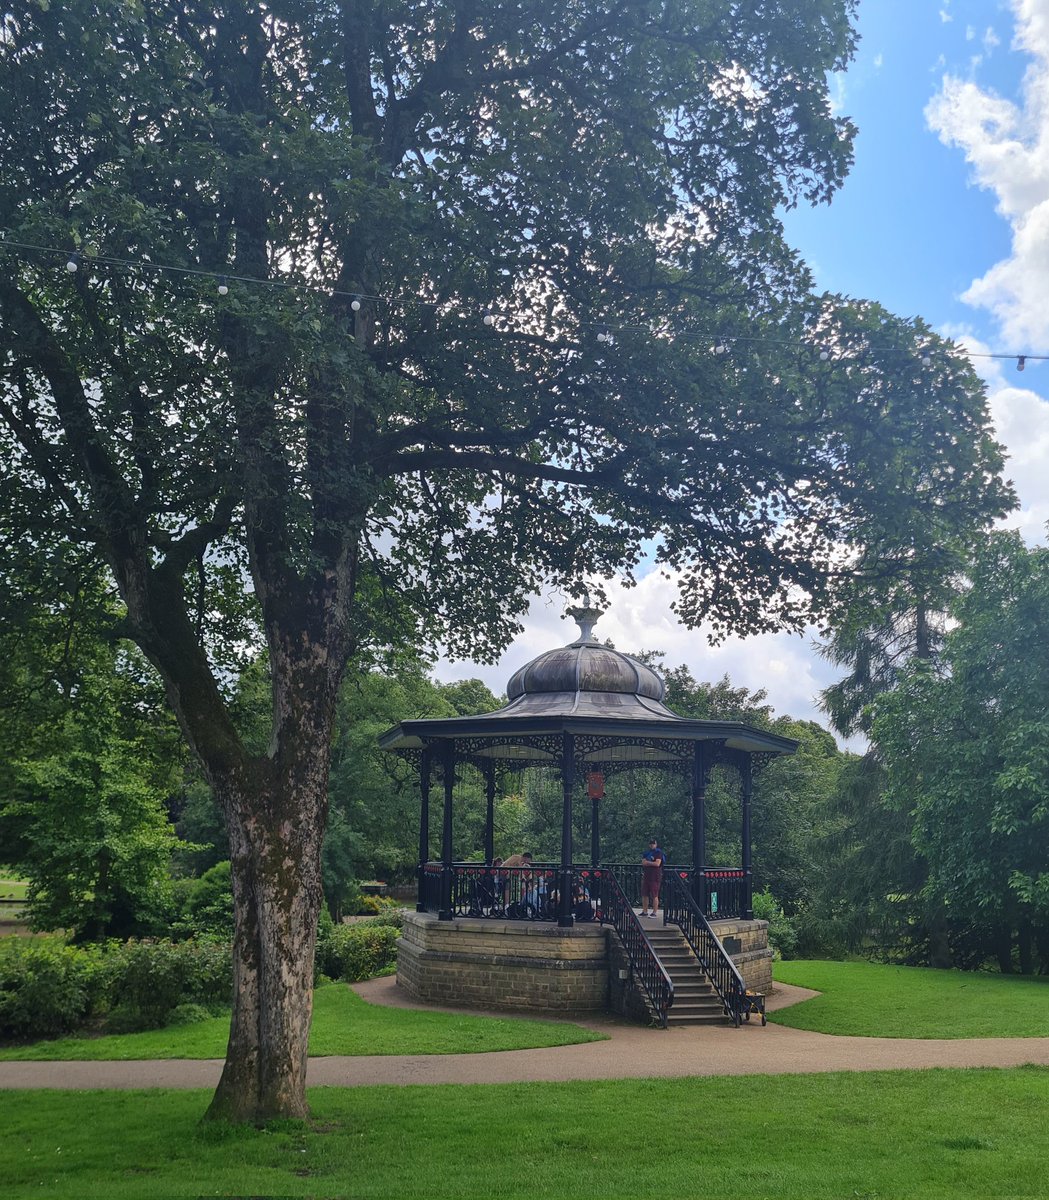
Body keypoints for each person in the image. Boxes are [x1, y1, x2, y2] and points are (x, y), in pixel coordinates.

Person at [641, 837, 665, 918]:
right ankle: (645, 911)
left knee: (654, 894)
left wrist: (648, 862)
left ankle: (654, 912)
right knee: (644, 894)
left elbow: (657, 864)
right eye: (650, 844)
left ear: (656, 844)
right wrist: (650, 863)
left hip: (655, 876)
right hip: (647, 875)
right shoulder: (646, 853)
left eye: (653, 844)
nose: (652, 845)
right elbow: (643, 863)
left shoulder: (658, 853)